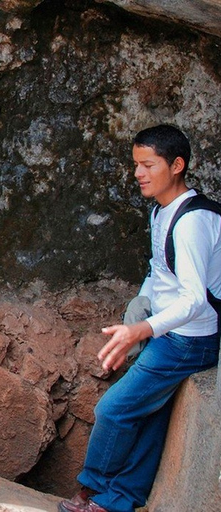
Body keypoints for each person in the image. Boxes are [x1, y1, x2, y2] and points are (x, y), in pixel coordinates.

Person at [58, 124, 221, 512]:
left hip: (188, 340)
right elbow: (159, 269)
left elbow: (195, 298)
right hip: (170, 330)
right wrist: (142, 300)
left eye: (148, 164)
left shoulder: (192, 223)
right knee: (148, 417)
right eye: (136, 165)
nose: (138, 173)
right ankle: (121, 500)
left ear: (177, 165)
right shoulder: (162, 211)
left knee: (112, 410)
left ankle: (92, 490)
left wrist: (141, 329)